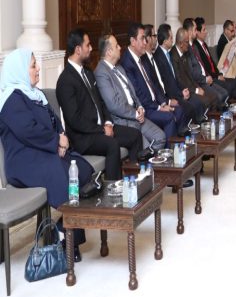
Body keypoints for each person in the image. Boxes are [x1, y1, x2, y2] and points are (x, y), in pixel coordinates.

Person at [0, 48, 94, 261]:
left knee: (81, 168)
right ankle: (70, 240)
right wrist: (55, 142)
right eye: (33, 65)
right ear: (19, 70)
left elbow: (55, 121)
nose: (38, 68)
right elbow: (28, 131)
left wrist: (61, 139)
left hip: (43, 151)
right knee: (60, 172)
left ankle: (62, 226)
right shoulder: (10, 99)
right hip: (23, 161)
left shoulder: (36, 94)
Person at [56, 29, 142, 181]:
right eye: (87, 45)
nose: (91, 48)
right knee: (112, 145)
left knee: (135, 135)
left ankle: (134, 182)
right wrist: (102, 130)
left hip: (101, 128)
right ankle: (114, 190)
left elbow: (101, 102)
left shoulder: (88, 72)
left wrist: (108, 122)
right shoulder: (65, 80)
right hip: (83, 137)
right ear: (78, 49)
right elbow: (74, 120)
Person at [94, 34, 166, 150]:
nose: (120, 47)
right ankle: (145, 159)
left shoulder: (119, 67)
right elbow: (114, 105)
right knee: (145, 147)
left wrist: (140, 106)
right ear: (109, 52)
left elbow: (132, 92)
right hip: (123, 121)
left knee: (160, 137)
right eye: (116, 46)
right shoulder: (101, 72)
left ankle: (149, 157)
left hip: (136, 115)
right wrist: (135, 114)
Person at [119, 23, 187, 139]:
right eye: (142, 39)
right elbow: (138, 94)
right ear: (133, 41)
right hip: (145, 108)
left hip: (155, 104)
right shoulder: (127, 63)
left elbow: (153, 84)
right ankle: (168, 149)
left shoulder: (142, 58)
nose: (145, 42)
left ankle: (179, 144)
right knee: (169, 117)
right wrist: (159, 108)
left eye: (146, 39)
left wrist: (163, 103)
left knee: (179, 110)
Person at [154, 24, 207, 124]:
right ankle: (192, 129)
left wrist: (183, 91)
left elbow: (176, 77)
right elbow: (166, 83)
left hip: (179, 90)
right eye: (171, 38)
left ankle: (199, 125)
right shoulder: (158, 57)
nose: (173, 40)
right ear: (164, 41)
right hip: (172, 95)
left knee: (197, 102)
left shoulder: (167, 54)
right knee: (191, 107)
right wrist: (180, 94)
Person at [171, 27, 221, 111]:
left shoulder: (184, 52)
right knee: (206, 101)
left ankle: (212, 118)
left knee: (213, 97)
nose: (189, 44)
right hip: (185, 91)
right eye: (187, 42)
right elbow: (180, 80)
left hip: (193, 86)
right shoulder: (173, 56)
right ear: (181, 43)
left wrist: (197, 87)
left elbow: (190, 75)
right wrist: (195, 90)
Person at [193, 17, 236, 98]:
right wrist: (217, 76)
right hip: (210, 77)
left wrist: (219, 74)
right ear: (197, 32)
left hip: (215, 74)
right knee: (229, 86)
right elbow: (204, 67)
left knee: (235, 82)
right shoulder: (195, 47)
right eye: (204, 30)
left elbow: (211, 62)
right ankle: (230, 102)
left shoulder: (204, 44)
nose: (206, 32)